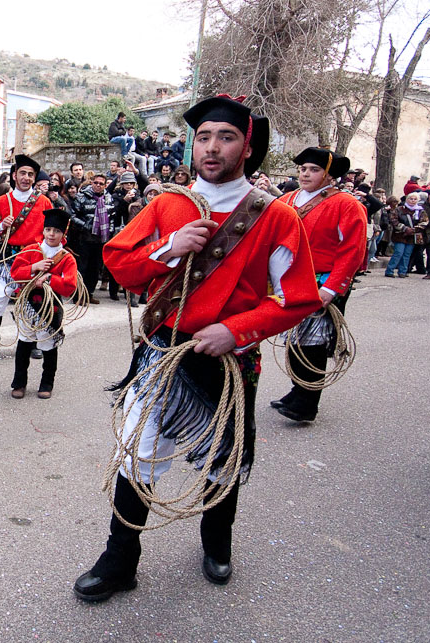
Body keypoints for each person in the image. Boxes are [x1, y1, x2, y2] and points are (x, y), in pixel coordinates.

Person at [73, 94, 321, 602]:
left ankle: (217, 542)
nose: (211, 147)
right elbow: (119, 263)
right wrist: (169, 247)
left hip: (229, 357)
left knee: (222, 459)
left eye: (226, 137)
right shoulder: (169, 204)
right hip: (164, 351)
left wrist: (239, 330)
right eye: (204, 136)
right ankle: (120, 559)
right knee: (136, 454)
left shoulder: (275, 216)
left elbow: (297, 298)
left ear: (247, 147)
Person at [271, 148, 366, 423]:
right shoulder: (288, 199)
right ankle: (297, 389)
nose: (304, 174)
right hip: (289, 280)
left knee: (312, 342)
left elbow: (352, 251)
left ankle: (307, 402)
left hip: (322, 281)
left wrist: (332, 288)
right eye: (302, 169)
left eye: (312, 170)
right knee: (293, 339)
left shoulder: (347, 205)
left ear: (328, 175)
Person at [0, 155, 52, 364]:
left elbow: (51, 232)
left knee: (33, 301)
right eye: (22, 173)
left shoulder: (44, 202)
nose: (26, 178)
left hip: (33, 259)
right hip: (8, 258)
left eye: (30, 174)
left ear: (34, 178)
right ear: (14, 176)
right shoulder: (2, 201)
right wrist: (2, 225)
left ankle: (32, 342)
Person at [8, 209, 78, 399]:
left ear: (63, 233)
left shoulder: (66, 257)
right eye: (48, 229)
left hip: (50, 306)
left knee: (48, 344)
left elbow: (69, 286)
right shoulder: (31, 249)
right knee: (24, 342)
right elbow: (15, 273)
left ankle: (47, 383)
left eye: (56, 230)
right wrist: (34, 268)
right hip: (28, 305)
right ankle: (19, 383)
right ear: (43, 230)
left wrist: (48, 279)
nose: (51, 234)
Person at [70, 173, 117, 304]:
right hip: (84, 238)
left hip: (100, 239)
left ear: (105, 185)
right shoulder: (82, 197)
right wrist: (86, 225)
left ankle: (89, 293)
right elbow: (73, 216)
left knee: (95, 269)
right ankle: (78, 295)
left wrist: (110, 231)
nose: (97, 185)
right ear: (91, 183)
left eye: (101, 184)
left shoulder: (108, 198)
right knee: (82, 268)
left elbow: (112, 217)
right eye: (95, 183)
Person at [385, 192, 421, 278]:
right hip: (400, 235)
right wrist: (404, 228)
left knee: (407, 254)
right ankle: (390, 270)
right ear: (407, 199)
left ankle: (403, 271)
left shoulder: (420, 211)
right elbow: (393, 220)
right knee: (398, 252)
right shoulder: (399, 209)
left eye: (415, 199)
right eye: (410, 199)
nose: (412, 201)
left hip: (412, 236)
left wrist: (414, 229)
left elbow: (424, 221)